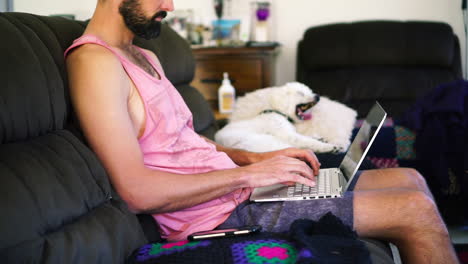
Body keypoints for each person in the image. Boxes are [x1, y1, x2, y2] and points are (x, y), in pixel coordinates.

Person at [65, 0, 459, 263]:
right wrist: (249, 175)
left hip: (238, 188)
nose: (169, 5)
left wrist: (257, 159)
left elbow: (183, 140)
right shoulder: (95, 61)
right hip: (218, 213)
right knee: (414, 210)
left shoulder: (144, 55)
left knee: (411, 177)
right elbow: (137, 192)